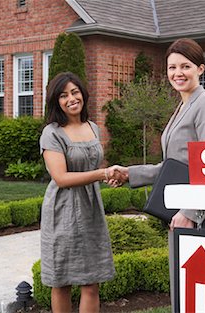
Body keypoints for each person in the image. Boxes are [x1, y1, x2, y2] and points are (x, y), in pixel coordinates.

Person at [114, 38, 205, 310]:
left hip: (203, 217)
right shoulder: (184, 105)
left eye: (185, 66)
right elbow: (175, 165)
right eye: (172, 67)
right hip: (184, 215)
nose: (178, 73)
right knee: (187, 296)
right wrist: (130, 174)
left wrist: (189, 212)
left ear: (201, 69)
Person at [39, 72, 118, 313]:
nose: (71, 99)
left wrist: (109, 176)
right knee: (62, 282)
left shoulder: (92, 127)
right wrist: (102, 174)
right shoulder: (51, 133)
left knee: (91, 281)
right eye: (63, 95)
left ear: (83, 94)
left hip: (90, 209)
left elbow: (92, 167)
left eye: (75, 92)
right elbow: (61, 178)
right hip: (62, 211)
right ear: (56, 101)